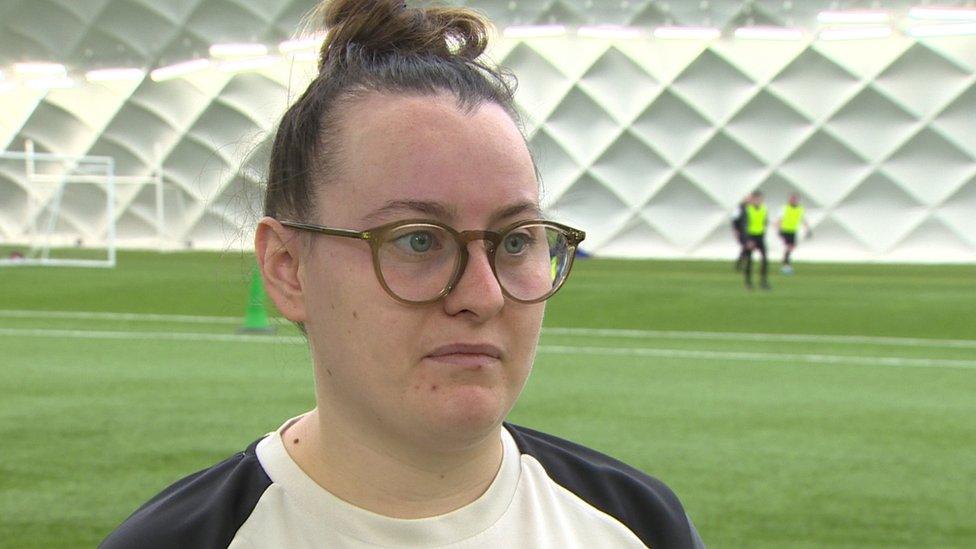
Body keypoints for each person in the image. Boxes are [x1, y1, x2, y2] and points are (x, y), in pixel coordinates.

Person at [100, 1, 705, 548]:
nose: (483, 295)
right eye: (418, 240)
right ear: (288, 270)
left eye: (516, 240)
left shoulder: (638, 525)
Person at [776, 193, 812, 275]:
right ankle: (786, 265)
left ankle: (785, 261)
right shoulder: (785, 208)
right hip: (785, 230)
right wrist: (778, 229)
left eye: (794, 199)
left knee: (792, 247)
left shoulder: (800, 209)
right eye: (791, 199)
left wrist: (807, 229)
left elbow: (803, 219)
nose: (793, 200)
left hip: (793, 230)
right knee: (789, 246)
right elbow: (780, 219)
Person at [742, 191, 770, 290]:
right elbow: (744, 225)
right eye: (757, 199)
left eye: (760, 199)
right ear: (753, 200)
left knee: (765, 259)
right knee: (749, 261)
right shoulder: (748, 210)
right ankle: (748, 283)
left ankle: (763, 281)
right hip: (751, 236)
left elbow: (765, 222)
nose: (759, 201)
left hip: (760, 236)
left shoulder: (764, 209)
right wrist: (748, 240)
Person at [731, 195, 749, 271]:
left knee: (746, 248)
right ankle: (740, 264)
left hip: (749, 232)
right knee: (745, 247)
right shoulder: (739, 209)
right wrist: (736, 231)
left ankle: (741, 264)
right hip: (742, 232)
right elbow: (735, 221)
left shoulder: (749, 208)